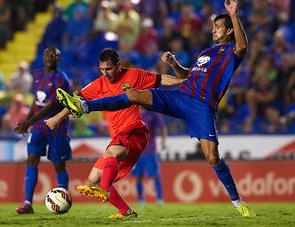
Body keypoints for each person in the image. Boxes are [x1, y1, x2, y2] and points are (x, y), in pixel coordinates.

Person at [56, 0, 256, 217]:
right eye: (213, 26)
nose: (214, 30)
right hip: (181, 96)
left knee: (213, 158)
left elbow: (242, 46)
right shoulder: (205, 53)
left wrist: (234, 14)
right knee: (133, 94)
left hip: (202, 106)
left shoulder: (231, 53)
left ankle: (238, 202)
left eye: (218, 27)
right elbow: (186, 76)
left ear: (229, 30)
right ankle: (85, 105)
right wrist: (174, 63)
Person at [45, 48, 183, 219]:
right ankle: (126, 211)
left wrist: (182, 80)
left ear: (118, 65)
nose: (105, 73)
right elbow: (75, 102)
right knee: (92, 180)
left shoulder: (134, 75)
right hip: (119, 137)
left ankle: (105, 188)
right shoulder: (97, 85)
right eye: (102, 70)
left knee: (109, 159)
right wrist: (56, 118)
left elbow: (161, 80)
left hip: (135, 130)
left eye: (109, 69)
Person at [14, 46, 72, 214]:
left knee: (58, 164)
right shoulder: (38, 74)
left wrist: (30, 121)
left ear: (59, 60)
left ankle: (63, 201)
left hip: (57, 126)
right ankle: (27, 203)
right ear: (43, 57)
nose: (51, 57)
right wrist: (27, 120)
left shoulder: (62, 79)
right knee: (31, 159)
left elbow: (51, 105)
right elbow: (37, 100)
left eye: (55, 55)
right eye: (48, 54)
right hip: (39, 127)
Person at [131, 109, 167, 207]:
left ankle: (159, 199)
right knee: (138, 176)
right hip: (137, 151)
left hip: (151, 150)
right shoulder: (134, 113)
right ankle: (141, 200)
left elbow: (162, 127)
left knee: (155, 175)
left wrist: (164, 141)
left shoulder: (154, 113)